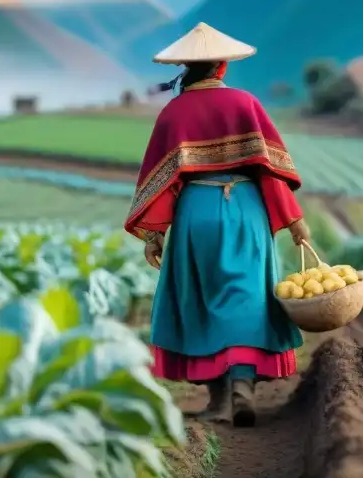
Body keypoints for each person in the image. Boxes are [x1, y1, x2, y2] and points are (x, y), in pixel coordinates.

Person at [124, 22, 312, 427]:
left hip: (197, 212)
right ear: (222, 67)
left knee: (202, 298)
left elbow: (162, 182)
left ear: (186, 67)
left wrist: (155, 234)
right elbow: (269, 172)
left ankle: (217, 400)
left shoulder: (173, 113)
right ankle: (242, 387)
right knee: (248, 295)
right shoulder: (246, 104)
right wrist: (294, 221)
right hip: (246, 209)